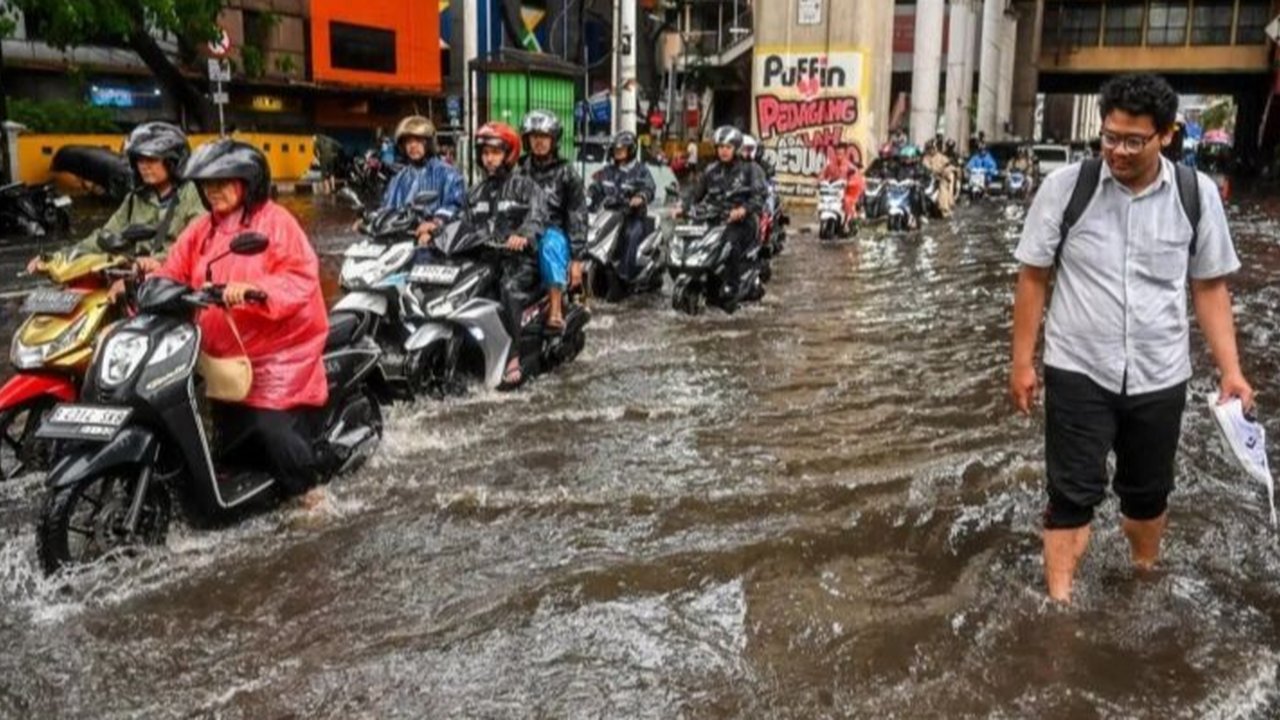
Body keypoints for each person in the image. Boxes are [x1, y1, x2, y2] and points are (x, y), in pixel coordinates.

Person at [1010, 73, 1251, 604]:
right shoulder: (1066, 190)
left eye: (1132, 140)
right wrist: (1022, 363)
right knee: (1070, 496)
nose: (1117, 150)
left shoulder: (1195, 195)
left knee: (1147, 497)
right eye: (1109, 136)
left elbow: (1208, 286)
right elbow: (1033, 276)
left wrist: (1230, 370)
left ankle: (1142, 577)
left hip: (1160, 372)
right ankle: (1060, 606)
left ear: (1165, 134)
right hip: (1079, 366)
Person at [151, 139, 331, 507]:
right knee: (216, 438)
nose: (213, 190)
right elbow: (173, 271)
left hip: (277, 356)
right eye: (207, 184)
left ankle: (310, 496)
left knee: (269, 429)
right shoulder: (201, 230)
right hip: (220, 358)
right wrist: (150, 285)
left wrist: (254, 289)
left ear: (247, 182)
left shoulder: (277, 222)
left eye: (223, 182)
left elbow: (300, 277)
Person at [30, 122, 204, 279]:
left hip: (179, 281)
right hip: (140, 279)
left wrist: (157, 261)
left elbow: (198, 244)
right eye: (139, 159)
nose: (143, 165)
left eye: (151, 159)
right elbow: (104, 238)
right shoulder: (135, 199)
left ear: (173, 161)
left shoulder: (193, 194)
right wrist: (58, 258)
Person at [462, 122, 548, 386]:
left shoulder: (525, 186)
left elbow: (537, 217)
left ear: (508, 154)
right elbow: (461, 223)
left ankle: (513, 353)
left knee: (508, 289)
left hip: (518, 262)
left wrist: (522, 235)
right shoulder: (475, 192)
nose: (489, 158)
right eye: (485, 153)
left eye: (495, 152)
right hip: (484, 260)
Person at [678, 125, 765, 312]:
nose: (724, 151)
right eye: (720, 147)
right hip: (714, 220)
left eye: (728, 147)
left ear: (736, 148)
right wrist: (682, 207)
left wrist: (743, 209)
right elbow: (695, 194)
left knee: (729, 244)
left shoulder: (751, 169)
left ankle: (732, 286)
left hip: (743, 222)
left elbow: (759, 196)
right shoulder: (711, 171)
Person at [515, 110, 586, 331]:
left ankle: (555, 310)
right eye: (534, 137)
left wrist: (576, 259)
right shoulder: (518, 170)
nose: (539, 142)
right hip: (521, 232)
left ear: (553, 140)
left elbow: (577, 215)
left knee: (549, 243)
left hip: (554, 234)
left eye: (544, 137)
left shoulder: (566, 173)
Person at [377, 115, 467, 246]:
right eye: (408, 142)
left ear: (429, 144)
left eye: (418, 141)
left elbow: (455, 205)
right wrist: (371, 220)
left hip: (437, 242)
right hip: (401, 241)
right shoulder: (399, 178)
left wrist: (434, 224)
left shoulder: (448, 174)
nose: (413, 146)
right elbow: (388, 206)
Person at [588, 131, 656, 283]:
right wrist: (589, 192)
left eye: (622, 149)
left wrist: (640, 197)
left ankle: (625, 277)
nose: (617, 152)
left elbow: (649, 188)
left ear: (631, 150)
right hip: (608, 216)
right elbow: (595, 187)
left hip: (632, 217)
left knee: (631, 235)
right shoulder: (607, 171)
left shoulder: (641, 171)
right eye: (615, 149)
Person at [820, 142, 866, 221]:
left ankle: (847, 223)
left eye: (841, 154)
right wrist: (818, 182)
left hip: (846, 192)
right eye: (837, 154)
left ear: (845, 154)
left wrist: (849, 183)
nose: (839, 156)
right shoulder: (830, 165)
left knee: (847, 201)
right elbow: (823, 174)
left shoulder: (850, 166)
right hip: (833, 192)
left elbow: (857, 180)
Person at [922, 141, 957, 218]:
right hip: (928, 179)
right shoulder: (925, 158)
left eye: (932, 148)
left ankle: (945, 208)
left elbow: (949, 167)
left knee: (943, 186)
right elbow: (925, 169)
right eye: (929, 149)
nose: (931, 150)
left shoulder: (942, 157)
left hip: (940, 179)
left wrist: (944, 172)